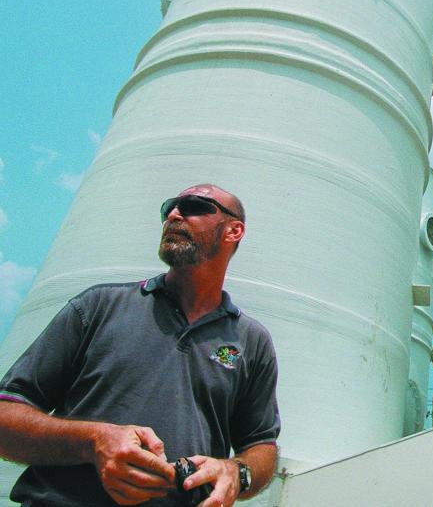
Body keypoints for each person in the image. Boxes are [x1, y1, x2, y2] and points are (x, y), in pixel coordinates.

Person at [0, 184, 280, 506]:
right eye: (169, 209)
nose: (174, 214)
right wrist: (92, 441)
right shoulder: (97, 307)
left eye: (192, 206)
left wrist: (236, 471)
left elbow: (262, 445)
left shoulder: (251, 341)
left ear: (234, 230)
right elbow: (6, 415)